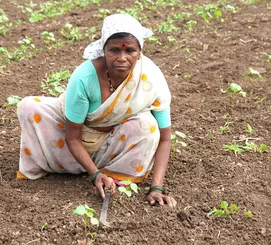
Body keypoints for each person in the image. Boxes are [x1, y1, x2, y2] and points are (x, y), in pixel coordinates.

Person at [16, 14, 176, 207]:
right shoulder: (85, 77)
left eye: (130, 51)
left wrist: (157, 188)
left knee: (147, 127)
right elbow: (73, 137)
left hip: (114, 142)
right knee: (29, 107)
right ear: (103, 50)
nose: (122, 58)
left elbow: (165, 138)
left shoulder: (151, 79)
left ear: (140, 52)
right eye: (114, 50)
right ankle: (92, 168)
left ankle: (112, 171)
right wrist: (95, 175)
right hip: (71, 138)